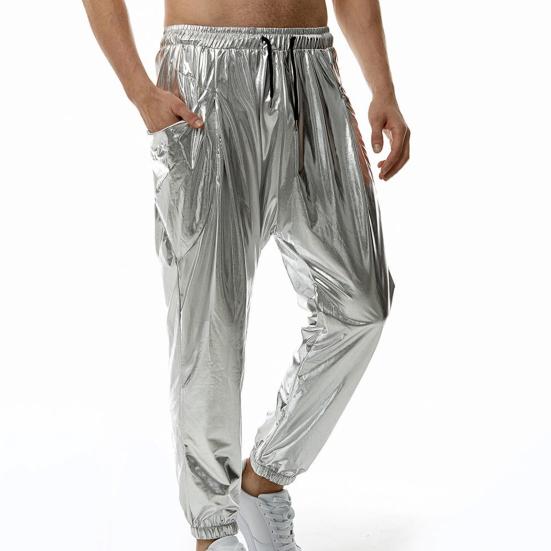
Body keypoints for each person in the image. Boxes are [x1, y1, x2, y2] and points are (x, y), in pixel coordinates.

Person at [82, 0, 409, 549]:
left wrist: (383, 88)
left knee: (362, 302)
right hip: (206, 75)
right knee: (211, 321)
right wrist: (139, 89)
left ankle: (264, 478)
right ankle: (213, 533)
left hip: (312, 73)